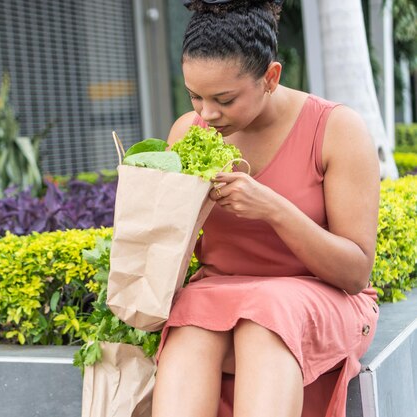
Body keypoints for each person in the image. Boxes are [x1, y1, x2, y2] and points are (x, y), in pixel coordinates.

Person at [152, 1, 380, 416]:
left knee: (266, 316)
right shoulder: (188, 133)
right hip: (220, 295)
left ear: (270, 77)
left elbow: (355, 272)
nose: (206, 113)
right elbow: (168, 255)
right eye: (195, 96)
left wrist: (274, 208)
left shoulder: (335, 129)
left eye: (224, 98)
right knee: (189, 316)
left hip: (318, 297)